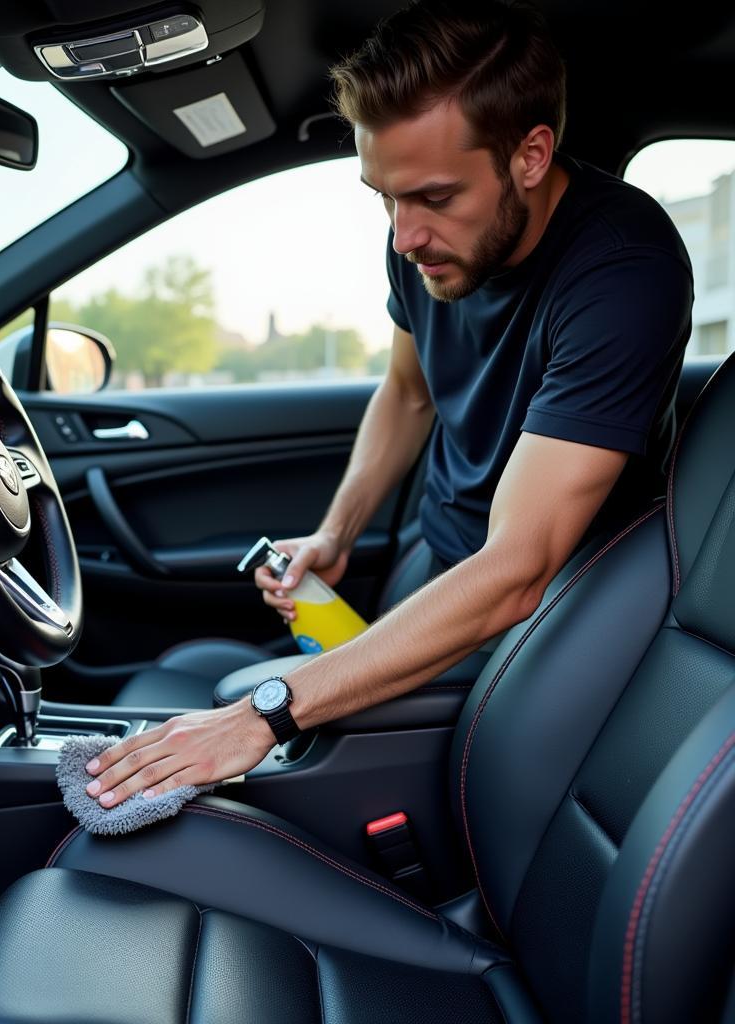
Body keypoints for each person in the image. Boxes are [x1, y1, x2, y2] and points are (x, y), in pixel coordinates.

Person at [81, 0, 693, 808]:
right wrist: (338, 532)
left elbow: (517, 570)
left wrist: (263, 717)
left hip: (551, 618)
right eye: (383, 197)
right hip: (439, 560)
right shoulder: (423, 241)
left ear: (532, 155)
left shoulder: (623, 273)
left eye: (435, 197)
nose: (404, 235)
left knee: (247, 713)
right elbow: (408, 393)